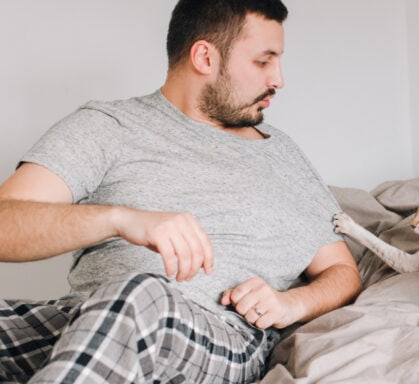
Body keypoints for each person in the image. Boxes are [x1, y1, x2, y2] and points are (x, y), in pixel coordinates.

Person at [0, 0, 362, 382]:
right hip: (86, 317)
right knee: (122, 304)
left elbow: (342, 270)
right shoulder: (107, 127)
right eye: (263, 61)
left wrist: (291, 303)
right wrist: (119, 218)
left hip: (218, 336)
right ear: (204, 57)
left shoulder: (281, 154)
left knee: (139, 296)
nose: (278, 79)